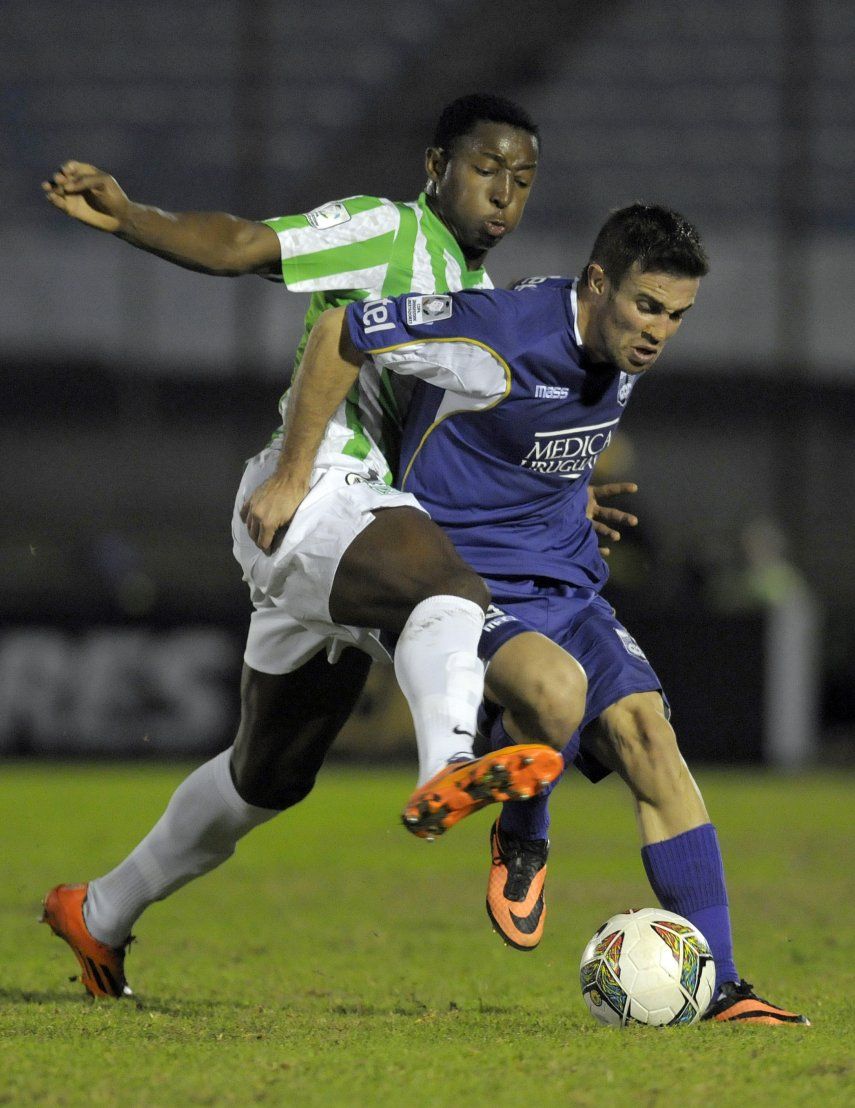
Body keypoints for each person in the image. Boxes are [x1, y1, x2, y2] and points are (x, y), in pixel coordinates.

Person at [42, 94, 640, 999]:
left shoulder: (476, 302)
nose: (503, 195)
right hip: (317, 494)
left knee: (267, 776)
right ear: (436, 166)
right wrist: (133, 220)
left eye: (521, 181)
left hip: (358, 530)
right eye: (485, 170)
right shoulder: (384, 229)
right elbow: (243, 244)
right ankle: (448, 768)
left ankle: (98, 913)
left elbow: (472, 449)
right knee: (451, 590)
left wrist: (555, 500)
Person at [259, 203, 808, 1025]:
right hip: (461, 584)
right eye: (646, 306)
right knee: (552, 694)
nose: (659, 331)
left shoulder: (619, 350)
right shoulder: (498, 333)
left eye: (677, 315)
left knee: (649, 736)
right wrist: (292, 474)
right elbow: (344, 329)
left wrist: (564, 493)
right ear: (597, 283)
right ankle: (523, 829)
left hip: (566, 580)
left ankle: (723, 986)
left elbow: (526, 439)